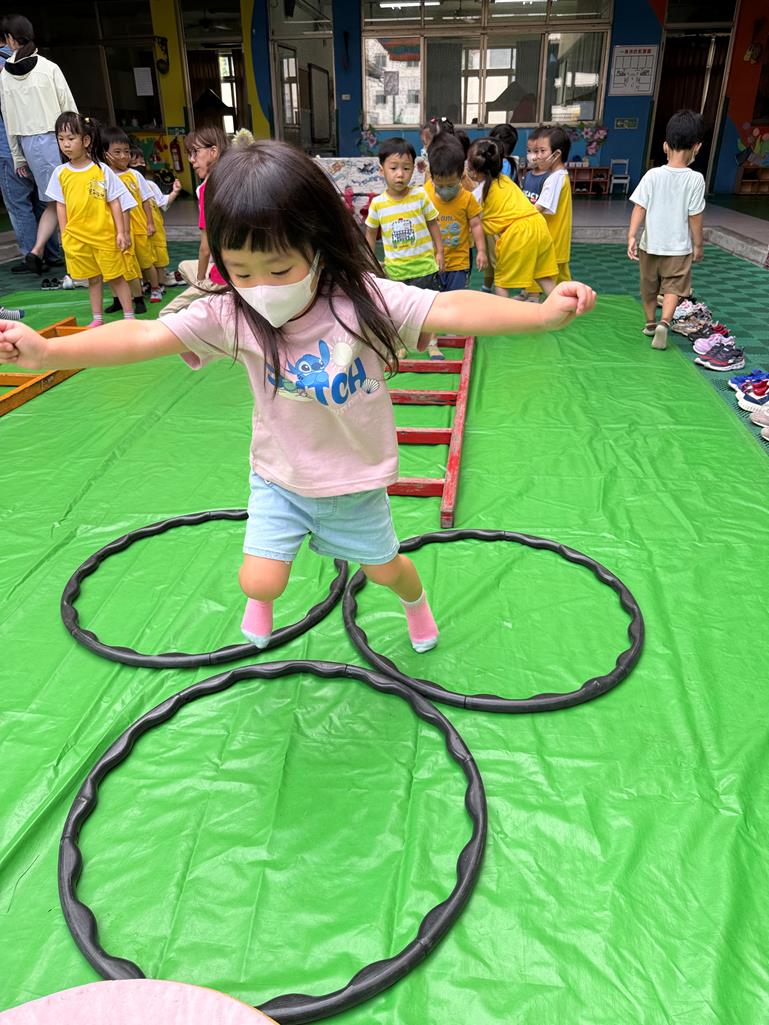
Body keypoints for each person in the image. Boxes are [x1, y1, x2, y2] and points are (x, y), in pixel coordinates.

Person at [0, 139, 597, 655]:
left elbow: (451, 307)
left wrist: (539, 315)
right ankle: (261, 604)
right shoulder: (232, 313)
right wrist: (51, 352)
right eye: (241, 270)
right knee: (259, 580)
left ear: (316, 245)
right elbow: (145, 336)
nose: (260, 287)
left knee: (386, 571)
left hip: (353, 483)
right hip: (280, 478)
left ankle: (416, 606)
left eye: (279, 269)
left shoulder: (361, 299)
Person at [0, 15, 76, 274]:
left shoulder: (5, 75)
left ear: (10, 39)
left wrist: (18, 156)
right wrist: (79, 139)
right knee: (65, 201)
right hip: (57, 138)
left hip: (27, 144)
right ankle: (71, 259)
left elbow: (9, 118)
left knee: (52, 201)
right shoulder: (48, 67)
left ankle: (37, 250)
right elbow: (68, 106)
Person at [45, 112, 134, 327]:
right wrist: (65, 233)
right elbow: (60, 205)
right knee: (93, 278)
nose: (66, 144)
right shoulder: (60, 173)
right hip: (78, 238)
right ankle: (97, 318)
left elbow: (115, 202)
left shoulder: (101, 170)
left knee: (116, 276)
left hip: (104, 237)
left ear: (85, 141)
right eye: (61, 139)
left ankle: (129, 317)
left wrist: (122, 232)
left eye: (71, 138)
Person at [628, 109, 705, 351]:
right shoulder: (696, 179)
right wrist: (698, 245)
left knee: (649, 287)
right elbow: (695, 216)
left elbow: (639, 207)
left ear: (665, 146)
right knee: (673, 287)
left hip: (649, 245)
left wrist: (631, 235)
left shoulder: (652, 175)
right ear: (697, 147)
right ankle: (664, 322)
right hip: (678, 248)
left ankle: (650, 323)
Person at [364, 137, 444, 358]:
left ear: (413, 170)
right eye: (393, 168)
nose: (400, 174)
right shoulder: (378, 204)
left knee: (428, 310)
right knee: (395, 311)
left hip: (424, 267)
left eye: (406, 168)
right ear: (382, 170)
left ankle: (432, 344)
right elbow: (370, 233)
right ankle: (397, 345)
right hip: (396, 270)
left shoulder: (419, 195)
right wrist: (370, 260)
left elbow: (433, 223)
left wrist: (439, 251)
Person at [467, 138, 557, 299]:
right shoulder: (505, 180)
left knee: (502, 282)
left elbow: (471, 220)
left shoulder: (480, 193)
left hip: (517, 233)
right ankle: (562, 308)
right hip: (538, 226)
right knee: (543, 275)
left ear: (474, 170)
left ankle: (504, 314)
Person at [160, 125, 230, 317]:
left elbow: (205, 248)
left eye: (195, 152)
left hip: (225, 277)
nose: (191, 159)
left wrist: (200, 282)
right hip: (242, 270)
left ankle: (213, 298)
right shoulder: (233, 181)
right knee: (183, 266)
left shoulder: (208, 189)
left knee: (166, 314)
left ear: (213, 151)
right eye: (190, 154)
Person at [423, 136, 486, 300]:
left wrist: (481, 250)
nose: (445, 190)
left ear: (461, 177)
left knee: (456, 300)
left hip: (459, 262)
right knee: (435, 300)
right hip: (431, 262)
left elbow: (476, 225)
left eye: (451, 185)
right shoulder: (425, 195)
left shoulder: (467, 199)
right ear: (432, 177)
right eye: (440, 185)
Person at [519, 125, 573, 300]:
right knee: (557, 275)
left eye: (542, 151)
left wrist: (516, 217)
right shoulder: (555, 175)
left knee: (546, 271)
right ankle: (560, 299)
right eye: (535, 151)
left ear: (556, 154)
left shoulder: (555, 178)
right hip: (552, 237)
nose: (537, 156)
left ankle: (537, 299)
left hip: (552, 238)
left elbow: (540, 207)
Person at [129, 145, 183, 289]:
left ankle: (160, 283)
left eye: (142, 162)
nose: (139, 166)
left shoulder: (150, 185)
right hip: (138, 231)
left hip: (155, 231)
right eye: (134, 163)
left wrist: (175, 192)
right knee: (143, 259)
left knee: (159, 258)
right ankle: (147, 283)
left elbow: (163, 203)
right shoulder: (125, 184)